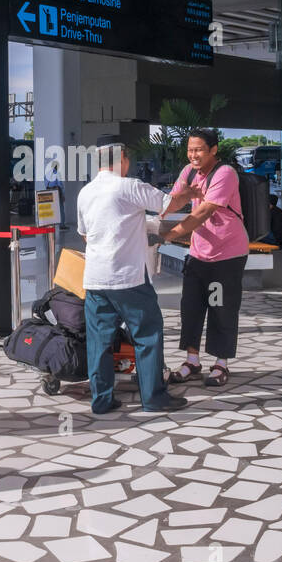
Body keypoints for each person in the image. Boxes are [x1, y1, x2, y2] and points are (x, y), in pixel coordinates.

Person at [76, 135, 187, 414]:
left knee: (99, 342)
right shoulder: (129, 186)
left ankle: (101, 400)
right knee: (147, 334)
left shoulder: (85, 192)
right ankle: (153, 397)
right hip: (129, 278)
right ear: (122, 158)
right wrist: (193, 194)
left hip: (95, 279)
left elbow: (86, 236)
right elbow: (169, 204)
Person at [163, 129, 249, 388]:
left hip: (227, 253)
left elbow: (204, 212)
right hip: (199, 252)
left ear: (214, 149)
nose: (193, 155)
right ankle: (192, 361)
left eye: (199, 149)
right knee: (191, 306)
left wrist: (168, 235)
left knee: (221, 306)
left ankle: (220, 363)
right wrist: (174, 201)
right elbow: (173, 202)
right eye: (190, 150)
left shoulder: (225, 173)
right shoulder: (188, 172)